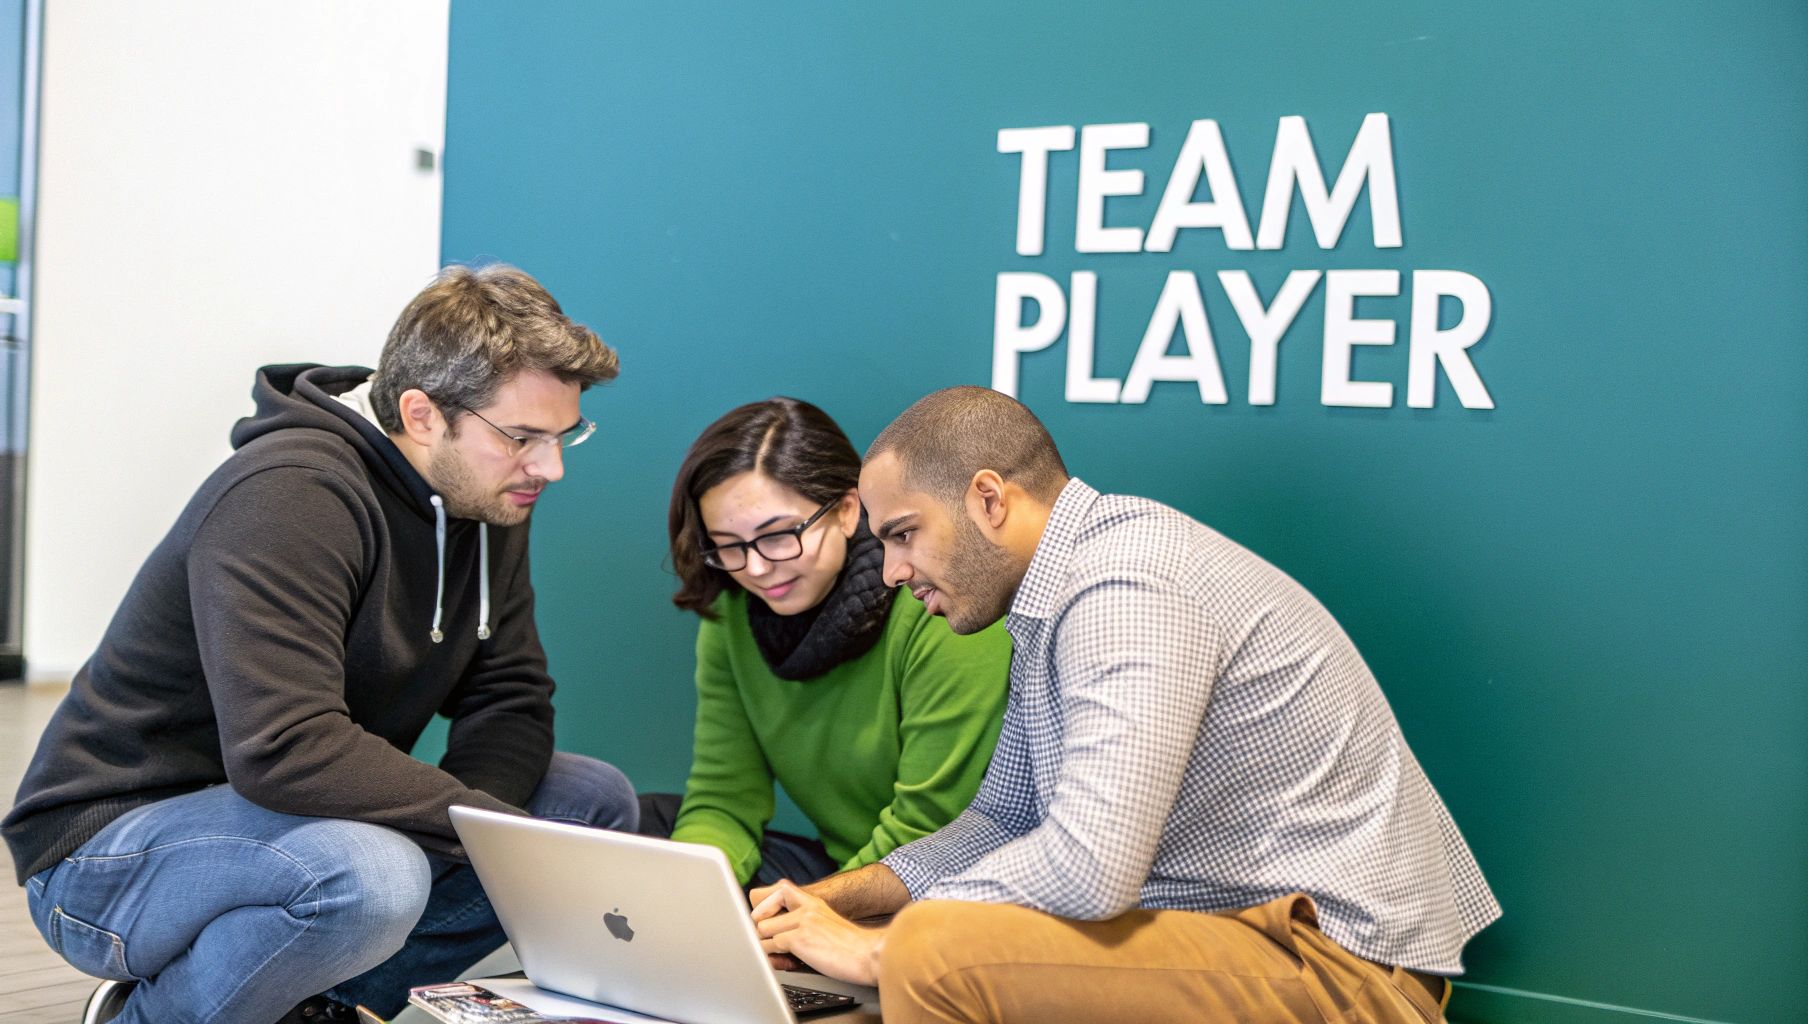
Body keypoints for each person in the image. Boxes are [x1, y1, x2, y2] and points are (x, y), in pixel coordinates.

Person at [3, 264, 640, 1024]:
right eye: (524, 437)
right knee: (374, 875)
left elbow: (511, 697)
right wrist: (487, 835)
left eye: (565, 435)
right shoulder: (289, 492)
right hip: (108, 850)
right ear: (424, 414)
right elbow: (285, 747)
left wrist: (501, 837)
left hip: (295, 819)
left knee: (587, 804)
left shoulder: (488, 495)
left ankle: (313, 1005)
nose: (551, 466)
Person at [750, 385, 1501, 1024]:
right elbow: (1000, 824)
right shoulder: (1055, 598)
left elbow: (1089, 869)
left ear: (988, 499)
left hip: (1340, 973)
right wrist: (836, 902)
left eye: (905, 534)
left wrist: (885, 943)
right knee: (907, 935)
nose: (891, 572)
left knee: (930, 950)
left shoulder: (1126, 586)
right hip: (1223, 938)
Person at [638, 397, 1010, 887]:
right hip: (840, 870)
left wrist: (807, 915)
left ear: (846, 509)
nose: (755, 568)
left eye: (777, 536)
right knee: (642, 824)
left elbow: (929, 827)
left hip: (944, 877)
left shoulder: (938, 606)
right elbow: (725, 797)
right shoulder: (730, 617)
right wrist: (688, 895)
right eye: (727, 545)